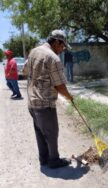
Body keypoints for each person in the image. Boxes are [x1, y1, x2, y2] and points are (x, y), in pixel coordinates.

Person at [24, 29, 74, 169]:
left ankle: (43, 159)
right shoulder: (53, 58)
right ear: (57, 42)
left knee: (40, 132)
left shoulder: (34, 51)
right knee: (51, 133)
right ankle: (54, 161)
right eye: (62, 46)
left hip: (32, 103)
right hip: (45, 104)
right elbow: (59, 85)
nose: (63, 49)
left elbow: (25, 71)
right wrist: (69, 97)